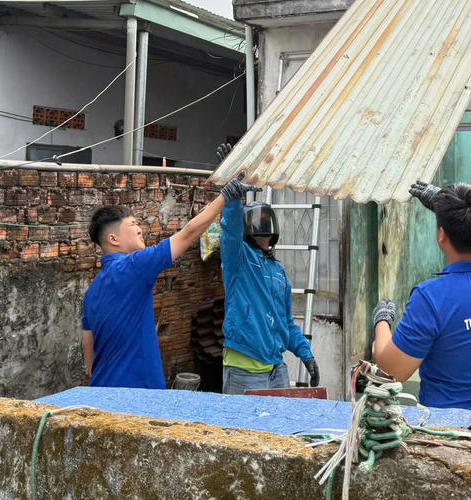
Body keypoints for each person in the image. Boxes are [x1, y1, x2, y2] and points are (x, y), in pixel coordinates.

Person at [80, 174, 250, 389]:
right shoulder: (133, 266)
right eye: (132, 224)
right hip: (137, 393)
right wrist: (225, 196)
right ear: (113, 239)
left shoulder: (92, 292)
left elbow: (87, 345)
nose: (140, 229)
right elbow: (188, 234)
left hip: (101, 390)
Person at [371, 180, 471, 414]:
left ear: (441, 235)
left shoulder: (431, 298)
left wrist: (382, 320)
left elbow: (391, 373)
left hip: (452, 428)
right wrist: (444, 201)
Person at [215, 146, 319, 393]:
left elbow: (286, 322)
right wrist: (233, 200)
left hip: (276, 367)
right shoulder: (239, 259)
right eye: (258, 221)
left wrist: (306, 354)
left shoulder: (277, 272)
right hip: (244, 366)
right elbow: (231, 233)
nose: (263, 227)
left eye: (267, 221)